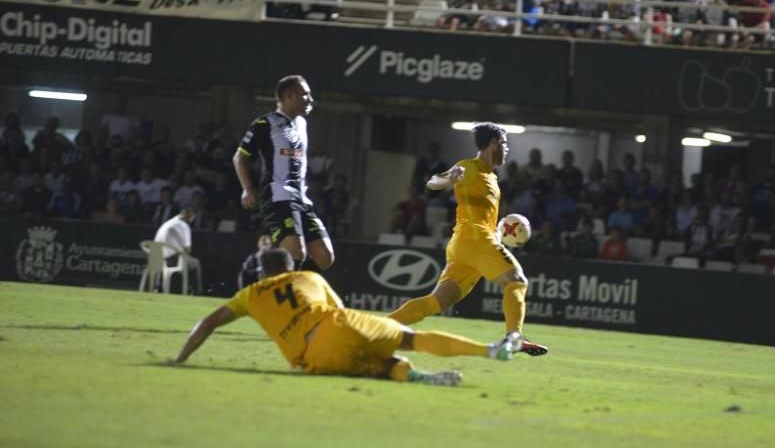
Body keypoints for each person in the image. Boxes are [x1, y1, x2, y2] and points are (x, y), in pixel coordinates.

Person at [173, 248, 521, 386]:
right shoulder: (308, 277)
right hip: (335, 325)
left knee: (379, 365)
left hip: (314, 359)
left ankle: (416, 378)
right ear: (290, 267)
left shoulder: (249, 295)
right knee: (407, 340)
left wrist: (180, 358)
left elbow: (207, 323)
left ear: (263, 274)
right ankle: (489, 351)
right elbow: (340, 311)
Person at [386, 123, 548, 357]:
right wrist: (450, 178)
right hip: (474, 239)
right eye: (505, 144)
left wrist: (499, 234)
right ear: (494, 144)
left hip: (465, 244)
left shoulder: (491, 177)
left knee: (438, 302)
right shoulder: (469, 167)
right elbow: (433, 182)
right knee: (516, 282)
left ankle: (378, 329)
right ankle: (515, 337)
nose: (507, 150)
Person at [234, 75, 334, 271]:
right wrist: (247, 189)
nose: (310, 99)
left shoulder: (302, 125)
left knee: (325, 256)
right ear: (289, 96)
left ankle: (286, 284)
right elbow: (240, 157)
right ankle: (271, 290)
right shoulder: (266, 123)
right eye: (305, 95)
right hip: (278, 195)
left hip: (301, 198)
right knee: (296, 253)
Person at [153, 206, 203, 294]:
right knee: (196, 263)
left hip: (157, 258)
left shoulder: (168, 223)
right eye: (192, 216)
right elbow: (188, 250)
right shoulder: (184, 226)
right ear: (190, 216)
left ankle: (158, 286)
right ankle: (196, 292)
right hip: (173, 260)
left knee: (187, 261)